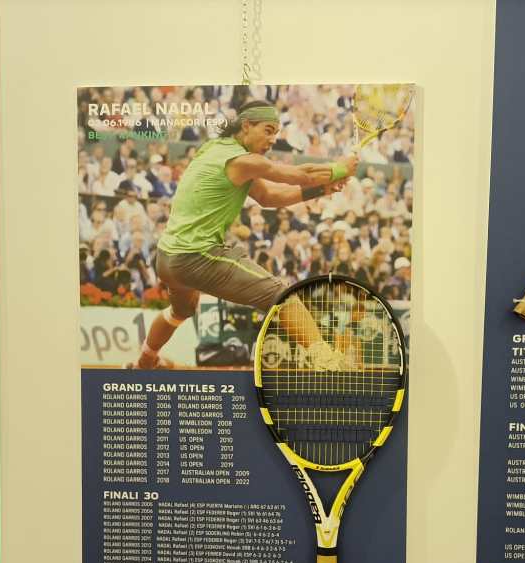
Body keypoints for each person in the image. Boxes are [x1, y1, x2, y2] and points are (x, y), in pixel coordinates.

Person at [132, 100, 359, 370]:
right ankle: (327, 362)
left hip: (167, 258)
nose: (273, 139)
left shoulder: (215, 149)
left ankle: (146, 359)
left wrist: (321, 190)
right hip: (197, 257)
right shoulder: (243, 160)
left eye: (276, 133)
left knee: (180, 311)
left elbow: (268, 196)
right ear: (247, 125)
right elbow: (302, 174)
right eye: (268, 130)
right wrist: (342, 168)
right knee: (281, 294)